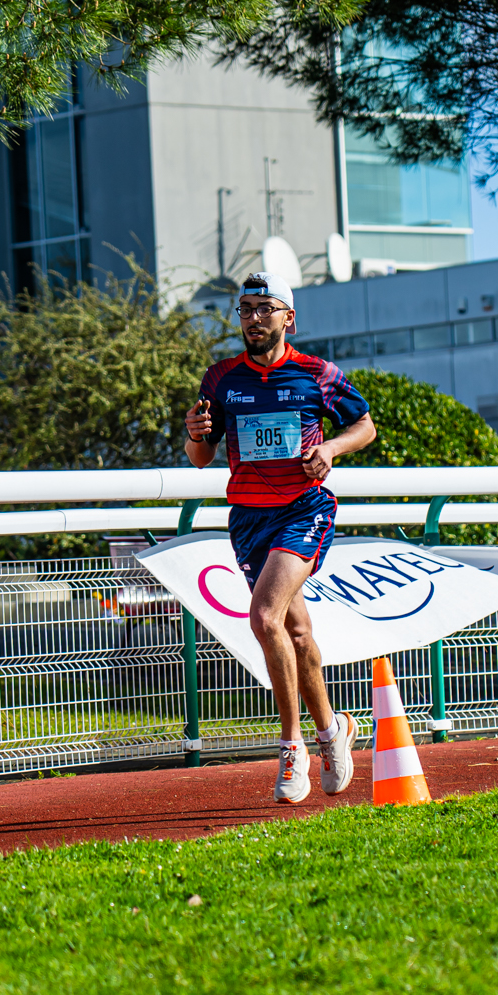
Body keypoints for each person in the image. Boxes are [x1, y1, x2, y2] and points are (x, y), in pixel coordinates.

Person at [184, 270, 377, 803]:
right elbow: (201, 457)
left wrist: (331, 449)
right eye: (246, 309)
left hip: (303, 509)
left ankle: (293, 749)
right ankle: (334, 730)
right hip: (249, 518)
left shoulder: (317, 374)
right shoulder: (221, 378)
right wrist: (194, 435)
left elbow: (365, 426)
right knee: (296, 633)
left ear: (288, 318)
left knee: (265, 617)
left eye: (265, 309)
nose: (254, 319)